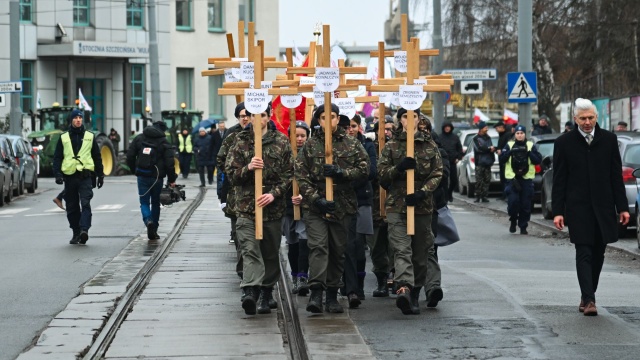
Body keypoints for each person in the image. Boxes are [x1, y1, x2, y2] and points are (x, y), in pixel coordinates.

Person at [552, 98, 630, 316]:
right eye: (583, 118)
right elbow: (559, 180)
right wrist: (558, 211)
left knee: (599, 253)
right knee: (584, 251)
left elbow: (616, 177)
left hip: (604, 207)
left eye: (591, 118)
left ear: (596, 117)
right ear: (575, 119)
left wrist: (622, 207)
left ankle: (587, 293)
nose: (587, 122)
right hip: (578, 209)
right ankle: (589, 300)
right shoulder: (564, 143)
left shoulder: (608, 140)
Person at [294, 103, 369, 314]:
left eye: (333, 116)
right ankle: (316, 291)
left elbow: (365, 169)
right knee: (318, 246)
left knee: (338, 250)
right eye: (324, 117)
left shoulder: (351, 144)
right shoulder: (310, 146)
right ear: (319, 120)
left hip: (342, 206)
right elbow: (300, 173)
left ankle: (333, 294)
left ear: (338, 119)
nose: (329, 121)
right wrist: (315, 198)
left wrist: (342, 173)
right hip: (316, 206)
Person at [225, 104, 293, 315]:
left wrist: (274, 193)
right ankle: (250, 291)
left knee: (270, 251)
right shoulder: (240, 142)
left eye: (262, 115)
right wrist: (248, 168)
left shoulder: (281, 142)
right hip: (246, 207)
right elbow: (231, 173)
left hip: (272, 209)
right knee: (249, 248)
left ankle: (266, 291)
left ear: (269, 117)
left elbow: (289, 174)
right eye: (254, 115)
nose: (258, 119)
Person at [378, 107, 443, 315]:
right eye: (405, 116)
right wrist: (398, 169)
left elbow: (437, 173)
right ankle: (403, 287)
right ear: (400, 120)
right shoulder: (391, 146)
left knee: (420, 251)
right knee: (401, 247)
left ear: (419, 119)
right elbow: (381, 175)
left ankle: (415, 291)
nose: (409, 120)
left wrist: (423, 193)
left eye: (413, 116)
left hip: (422, 207)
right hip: (397, 205)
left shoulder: (429, 145)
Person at [52, 109, 104, 245]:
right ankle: (76, 232)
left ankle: (84, 230)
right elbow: (57, 157)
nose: (78, 120)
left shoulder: (89, 136)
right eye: (75, 118)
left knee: (85, 203)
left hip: (85, 176)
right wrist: (57, 174)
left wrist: (100, 175)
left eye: (80, 118)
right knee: (72, 207)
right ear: (71, 120)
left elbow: (97, 157)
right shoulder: (63, 137)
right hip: (69, 177)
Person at [343, 114, 377, 308]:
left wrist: (346, 178)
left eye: (354, 126)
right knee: (345, 245)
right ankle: (348, 285)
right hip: (342, 200)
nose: (350, 129)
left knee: (359, 245)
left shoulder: (368, 145)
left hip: (362, 199)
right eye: (348, 126)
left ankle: (359, 284)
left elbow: (371, 171)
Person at [127, 120, 177, 240]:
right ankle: (154, 228)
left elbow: (130, 156)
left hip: (142, 175)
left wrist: (135, 170)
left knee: (144, 202)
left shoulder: (139, 138)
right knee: (155, 203)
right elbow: (170, 163)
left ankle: (148, 220)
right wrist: (171, 179)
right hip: (157, 177)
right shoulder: (164, 141)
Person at [422, 120, 449, 308]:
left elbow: (444, 176)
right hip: (402, 207)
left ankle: (432, 287)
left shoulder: (438, 151)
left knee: (429, 247)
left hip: (430, 206)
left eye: (424, 129)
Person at [369, 117, 396, 297]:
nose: (386, 132)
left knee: (395, 246)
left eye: (389, 129)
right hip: (375, 207)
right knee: (377, 247)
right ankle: (381, 280)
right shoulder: (372, 150)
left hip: (395, 206)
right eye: (382, 129)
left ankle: (395, 278)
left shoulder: (399, 148)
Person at [284, 121, 311, 296]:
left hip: (306, 204)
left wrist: (304, 195)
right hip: (287, 205)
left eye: (303, 136)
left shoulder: (310, 154)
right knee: (292, 240)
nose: (299, 139)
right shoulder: (284, 153)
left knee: (304, 238)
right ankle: (294, 275)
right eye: (296, 136)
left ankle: (303, 276)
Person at [499, 125, 542, 235]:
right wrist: (510, 152)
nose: (519, 135)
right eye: (517, 133)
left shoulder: (530, 145)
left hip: (526, 179)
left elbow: (538, 160)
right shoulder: (509, 145)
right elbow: (502, 159)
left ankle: (523, 226)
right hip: (512, 179)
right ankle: (513, 220)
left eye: (521, 133)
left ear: (524, 134)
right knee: (513, 202)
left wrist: (529, 153)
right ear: (515, 135)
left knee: (525, 205)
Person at [439, 122, 463, 203]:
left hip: (453, 161)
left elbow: (460, 149)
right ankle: (445, 196)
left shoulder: (455, 137)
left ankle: (449, 193)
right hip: (443, 162)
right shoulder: (440, 137)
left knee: (454, 180)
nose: (447, 128)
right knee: (444, 180)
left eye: (448, 127)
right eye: (446, 127)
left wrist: (458, 157)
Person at [472, 121, 495, 203]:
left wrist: (492, 154)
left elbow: (491, 148)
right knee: (479, 180)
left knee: (486, 180)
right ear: (481, 129)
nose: (487, 129)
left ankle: (484, 196)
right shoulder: (475, 138)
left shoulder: (488, 138)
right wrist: (489, 149)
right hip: (479, 162)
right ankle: (478, 196)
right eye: (485, 128)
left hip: (487, 162)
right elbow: (479, 149)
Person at [494, 121, 510, 200]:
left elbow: (507, 146)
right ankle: (503, 194)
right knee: (502, 178)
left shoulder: (507, 135)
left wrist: (501, 150)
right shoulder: (501, 135)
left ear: (501, 127)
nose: (496, 130)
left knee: (505, 178)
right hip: (502, 159)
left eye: (497, 128)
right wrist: (496, 149)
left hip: (505, 159)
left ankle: (506, 195)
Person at [213, 120, 227, 194]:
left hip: (226, 156)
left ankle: (224, 191)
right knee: (219, 174)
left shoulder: (228, 132)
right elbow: (212, 145)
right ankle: (219, 191)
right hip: (217, 156)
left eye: (223, 126)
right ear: (218, 126)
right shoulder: (215, 134)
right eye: (221, 126)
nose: (222, 127)